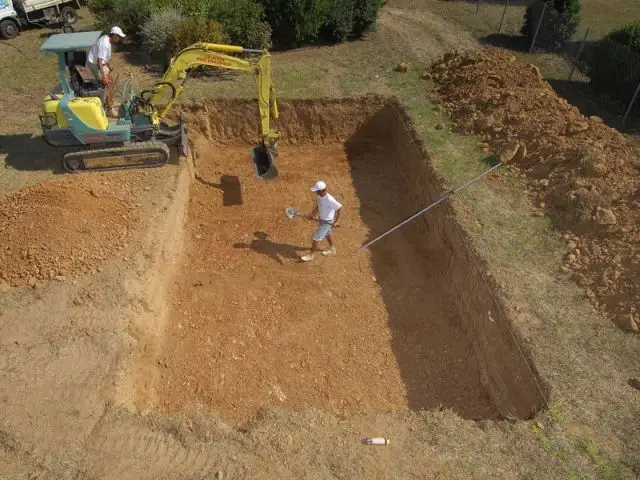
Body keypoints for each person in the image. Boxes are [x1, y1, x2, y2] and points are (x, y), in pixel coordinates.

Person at [86, 26, 126, 117]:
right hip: (95, 64)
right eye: (119, 36)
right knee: (107, 83)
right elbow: (99, 60)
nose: (119, 39)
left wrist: (108, 64)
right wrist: (104, 77)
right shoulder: (105, 44)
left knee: (110, 80)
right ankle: (109, 109)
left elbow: (103, 58)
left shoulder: (106, 38)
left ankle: (111, 101)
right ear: (114, 35)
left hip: (99, 63)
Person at [300, 180, 343, 262]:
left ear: (320, 191)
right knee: (327, 234)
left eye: (316, 190)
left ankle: (311, 255)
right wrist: (313, 214)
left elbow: (340, 208)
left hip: (327, 222)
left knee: (316, 238)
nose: (315, 192)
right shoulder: (319, 196)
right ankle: (332, 249)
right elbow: (318, 205)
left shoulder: (329, 199)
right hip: (322, 219)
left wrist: (337, 221)